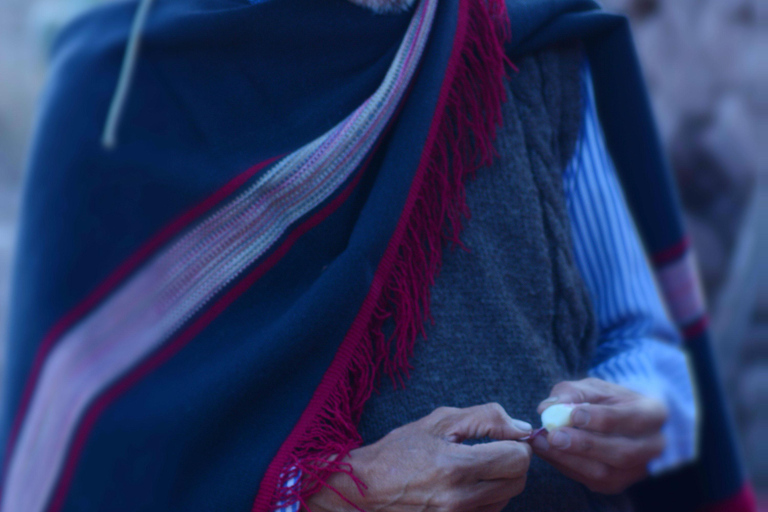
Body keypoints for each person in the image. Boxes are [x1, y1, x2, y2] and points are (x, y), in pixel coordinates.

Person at [0, 0, 752, 511]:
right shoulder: (118, 92)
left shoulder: (536, 40)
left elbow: (646, 343)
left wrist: (642, 414)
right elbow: (91, 467)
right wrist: (330, 495)